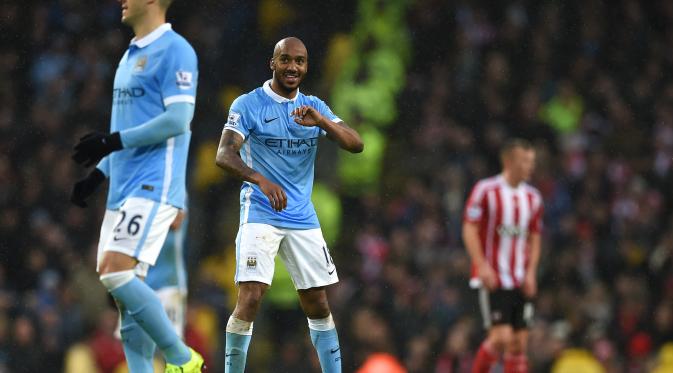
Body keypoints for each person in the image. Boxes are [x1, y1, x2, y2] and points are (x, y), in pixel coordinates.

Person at [215, 36, 364, 373]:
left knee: (318, 302)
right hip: (260, 212)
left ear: (306, 66)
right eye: (286, 60)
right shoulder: (248, 104)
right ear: (273, 63)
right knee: (250, 296)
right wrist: (261, 180)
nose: (292, 67)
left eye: (299, 61)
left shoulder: (315, 106)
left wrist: (323, 122)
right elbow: (224, 154)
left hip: (301, 216)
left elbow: (357, 145)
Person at [69, 0, 203, 371]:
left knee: (115, 272)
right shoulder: (129, 55)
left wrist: (111, 143)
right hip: (122, 189)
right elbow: (123, 130)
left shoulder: (176, 50)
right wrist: (97, 175)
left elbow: (178, 119)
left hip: (155, 185)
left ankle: (181, 357)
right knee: (127, 303)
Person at [462, 139, 543, 373]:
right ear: (508, 161)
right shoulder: (486, 190)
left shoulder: (533, 197)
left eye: (532, 162)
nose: (530, 166)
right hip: (495, 276)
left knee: (519, 344)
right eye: (525, 161)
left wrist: (531, 273)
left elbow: (535, 237)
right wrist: (482, 266)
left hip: (520, 277)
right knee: (501, 338)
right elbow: (469, 228)